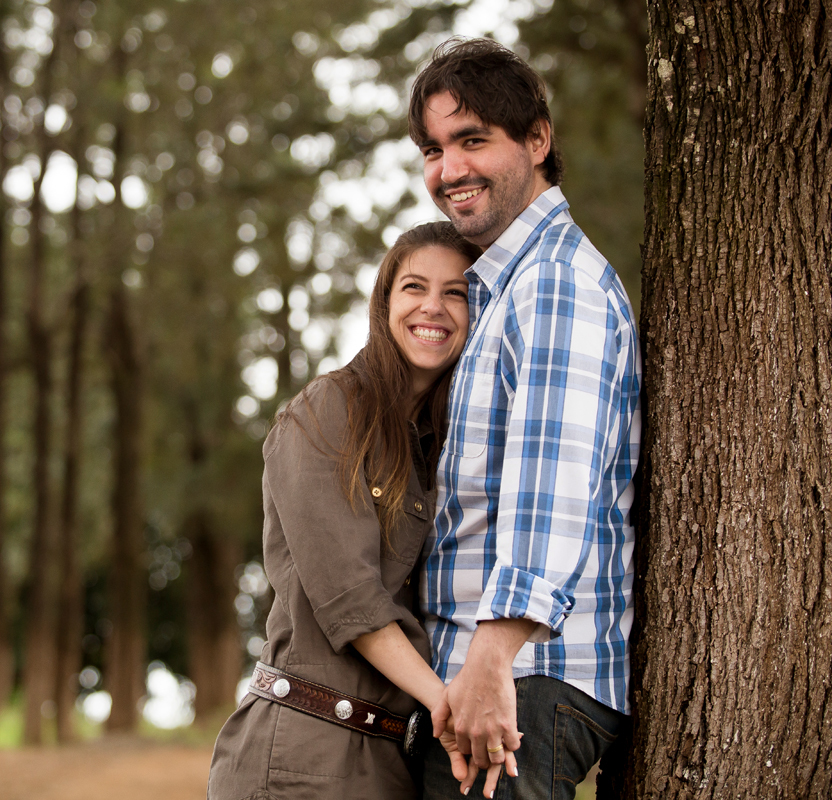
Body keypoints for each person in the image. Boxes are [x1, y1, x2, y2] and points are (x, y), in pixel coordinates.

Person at [408, 38, 642, 800]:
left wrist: (490, 662)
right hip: (496, 681)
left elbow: (552, 486)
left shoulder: (553, 283)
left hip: (522, 685)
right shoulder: (504, 290)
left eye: (473, 140)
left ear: (537, 140)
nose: (450, 170)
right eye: (434, 149)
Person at [207, 222, 483, 800]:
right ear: (385, 303)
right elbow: (350, 598)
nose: (433, 306)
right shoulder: (325, 412)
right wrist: (447, 705)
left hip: (388, 761)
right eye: (414, 287)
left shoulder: (444, 444)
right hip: (302, 756)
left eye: (456, 292)